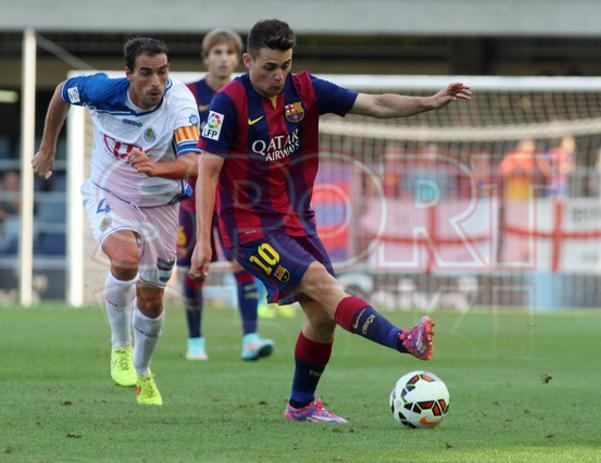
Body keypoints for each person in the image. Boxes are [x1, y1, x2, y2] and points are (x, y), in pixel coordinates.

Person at [190, 19, 471, 424]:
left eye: (285, 64)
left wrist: (428, 102)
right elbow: (209, 172)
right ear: (248, 60)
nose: (278, 75)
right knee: (323, 284)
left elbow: (373, 104)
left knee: (323, 318)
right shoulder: (228, 103)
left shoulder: (304, 89)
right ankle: (402, 339)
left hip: (298, 222)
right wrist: (204, 242)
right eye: (269, 66)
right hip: (249, 230)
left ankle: (301, 406)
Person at [32, 37, 200, 406]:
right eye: (146, 73)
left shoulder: (181, 102)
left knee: (152, 298)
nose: (156, 82)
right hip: (112, 192)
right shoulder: (102, 91)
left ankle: (143, 372)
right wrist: (47, 149)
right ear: (128, 74)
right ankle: (119, 347)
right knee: (125, 261)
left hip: (162, 204)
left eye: (162, 72)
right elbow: (62, 92)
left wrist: (157, 169)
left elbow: (194, 164)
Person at [178, 28, 274, 361]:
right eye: (216, 52)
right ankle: (195, 342)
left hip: (235, 195)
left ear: (239, 58)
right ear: (206, 57)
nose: (223, 58)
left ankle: (251, 337)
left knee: (243, 259)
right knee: (193, 264)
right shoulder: (187, 94)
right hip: (194, 196)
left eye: (228, 53)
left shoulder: (248, 94)